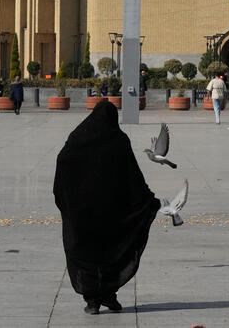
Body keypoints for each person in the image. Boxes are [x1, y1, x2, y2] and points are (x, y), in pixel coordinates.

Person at [53, 101, 159, 315]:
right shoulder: (119, 140)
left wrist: (66, 199)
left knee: (86, 254)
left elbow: (63, 163)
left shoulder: (77, 139)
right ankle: (109, 295)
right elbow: (133, 177)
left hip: (82, 214)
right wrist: (148, 200)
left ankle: (92, 301)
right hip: (112, 214)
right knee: (111, 253)